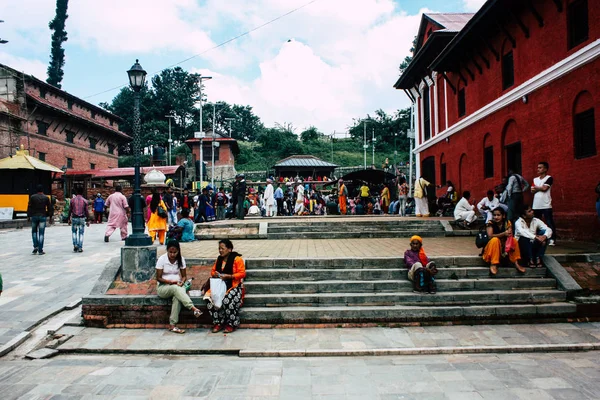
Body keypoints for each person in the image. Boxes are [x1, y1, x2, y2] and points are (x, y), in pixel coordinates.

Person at [156, 240, 203, 334]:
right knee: (175, 288)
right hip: (163, 287)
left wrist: (182, 281)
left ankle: (172, 325)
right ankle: (193, 308)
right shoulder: (162, 259)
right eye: (170, 252)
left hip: (177, 286)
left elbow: (184, 276)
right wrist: (170, 282)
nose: (172, 254)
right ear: (167, 250)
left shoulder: (181, 259)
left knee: (177, 298)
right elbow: (158, 278)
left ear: (178, 251)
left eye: (175, 252)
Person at [204, 239, 246, 333]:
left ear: (229, 249)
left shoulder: (237, 259)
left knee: (227, 300)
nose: (220, 250)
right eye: (219, 248)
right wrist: (215, 274)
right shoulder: (219, 259)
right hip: (219, 286)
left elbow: (242, 273)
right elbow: (213, 271)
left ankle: (231, 323)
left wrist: (229, 276)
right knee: (209, 299)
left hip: (234, 286)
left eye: (222, 248)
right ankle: (218, 322)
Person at [482, 207, 526, 275]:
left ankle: (516, 262)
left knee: (513, 240)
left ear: (503, 216)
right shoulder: (490, 223)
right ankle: (493, 263)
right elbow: (490, 236)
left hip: (504, 249)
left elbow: (509, 234)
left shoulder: (507, 223)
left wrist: (508, 233)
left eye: (498, 215)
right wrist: (503, 234)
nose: (496, 217)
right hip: (491, 249)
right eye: (494, 215)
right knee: (495, 240)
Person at [531, 162, 555, 246]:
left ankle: (552, 239)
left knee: (549, 222)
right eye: (538, 167)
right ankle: (538, 238)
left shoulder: (549, 178)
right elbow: (532, 191)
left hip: (546, 204)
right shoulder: (535, 179)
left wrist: (537, 188)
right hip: (536, 204)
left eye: (540, 167)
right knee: (536, 222)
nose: (538, 169)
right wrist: (540, 188)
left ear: (545, 169)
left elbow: (545, 188)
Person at [27, 184, 51, 255]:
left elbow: (29, 207)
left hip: (34, 216)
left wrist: (28, 216)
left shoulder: (32, 197)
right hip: (42, 216)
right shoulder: (46, 198)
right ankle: (40, 250)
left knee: (34, 232)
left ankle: (35, 247)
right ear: (42, 190)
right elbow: (49, 208)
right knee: (41, 233)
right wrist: (50, 217)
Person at [69, 186, 91, 253]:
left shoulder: (72, 200)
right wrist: (88, 220)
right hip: (82, 218)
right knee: (81, 233)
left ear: (76, 192)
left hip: (74, 218)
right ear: (83, 192)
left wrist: (68, 218)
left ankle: (75, 244)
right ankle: (80, 247)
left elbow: (70, 210)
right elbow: (86, 211)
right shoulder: (85, 201)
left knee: (74, 232)